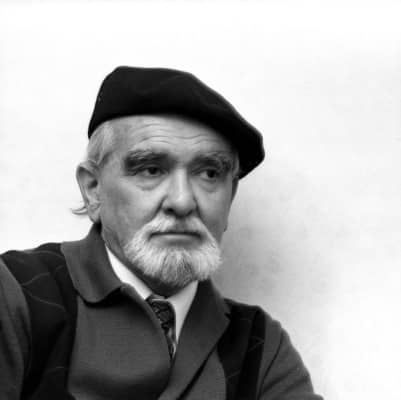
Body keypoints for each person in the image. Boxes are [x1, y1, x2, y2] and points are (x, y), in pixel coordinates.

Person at [0, 66, 322, 400]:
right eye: (151, 169)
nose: (182, 202)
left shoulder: (261, 348)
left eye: (209, 174)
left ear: (230, 198)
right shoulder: (16, 293)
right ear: (93, 190)